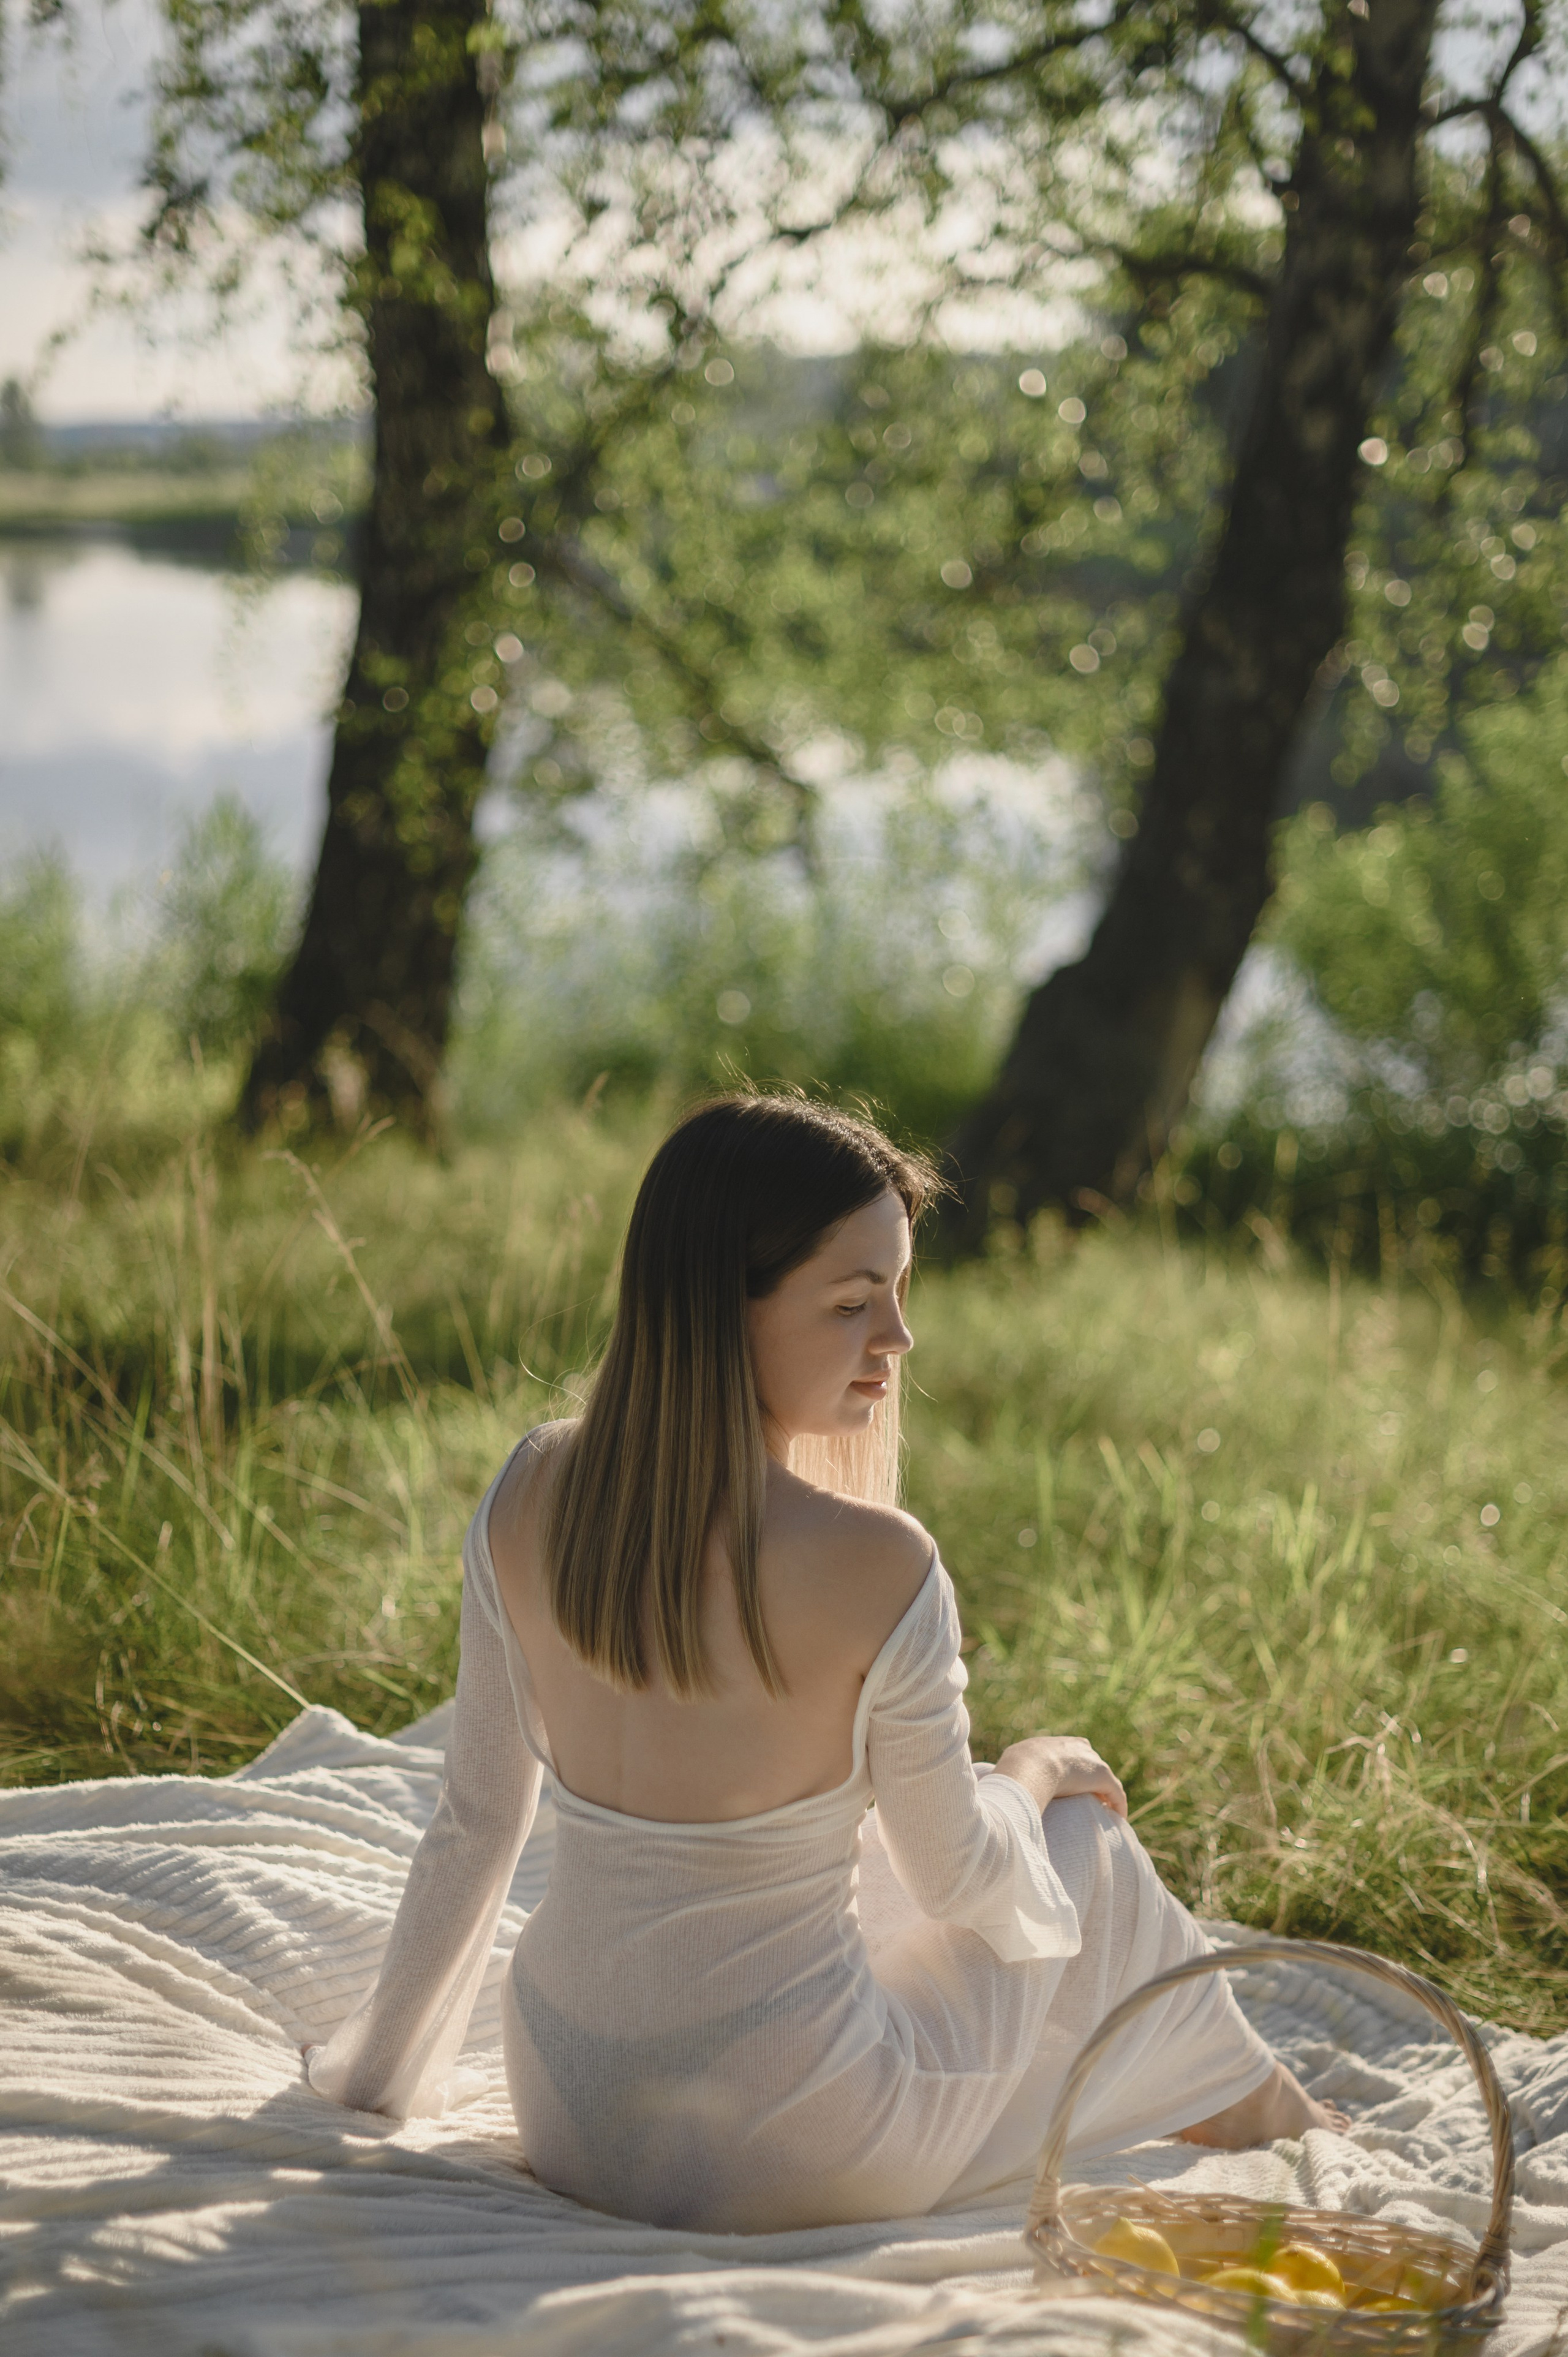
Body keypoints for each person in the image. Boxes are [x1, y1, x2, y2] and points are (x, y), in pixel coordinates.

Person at [306, 1093, 1344, 2231]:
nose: (896, 1339)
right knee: (1083, 1841)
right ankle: (1254, 2102)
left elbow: (475, 1823)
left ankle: (1236, 2088)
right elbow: (961, 1877)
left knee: (885, 1863)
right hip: (790, 2144)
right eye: (853, 1303)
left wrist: (374, 2077)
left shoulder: (529, 1492)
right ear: (719, 1315)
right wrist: (1036, 1770)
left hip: (569, 2109)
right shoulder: (877, 1562)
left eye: (901, 1293)